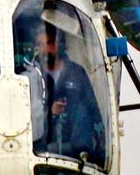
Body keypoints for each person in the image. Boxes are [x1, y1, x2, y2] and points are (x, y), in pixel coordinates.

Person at [32, 21, 101, 162]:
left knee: (81, 110)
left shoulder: (77, 72)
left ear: (60, 44)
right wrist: (49, 112)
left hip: (74, 147)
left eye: (49, 43)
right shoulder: (31, 75)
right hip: (41, 147)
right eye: (40, 45)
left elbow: (92, 108)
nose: (45, 49)